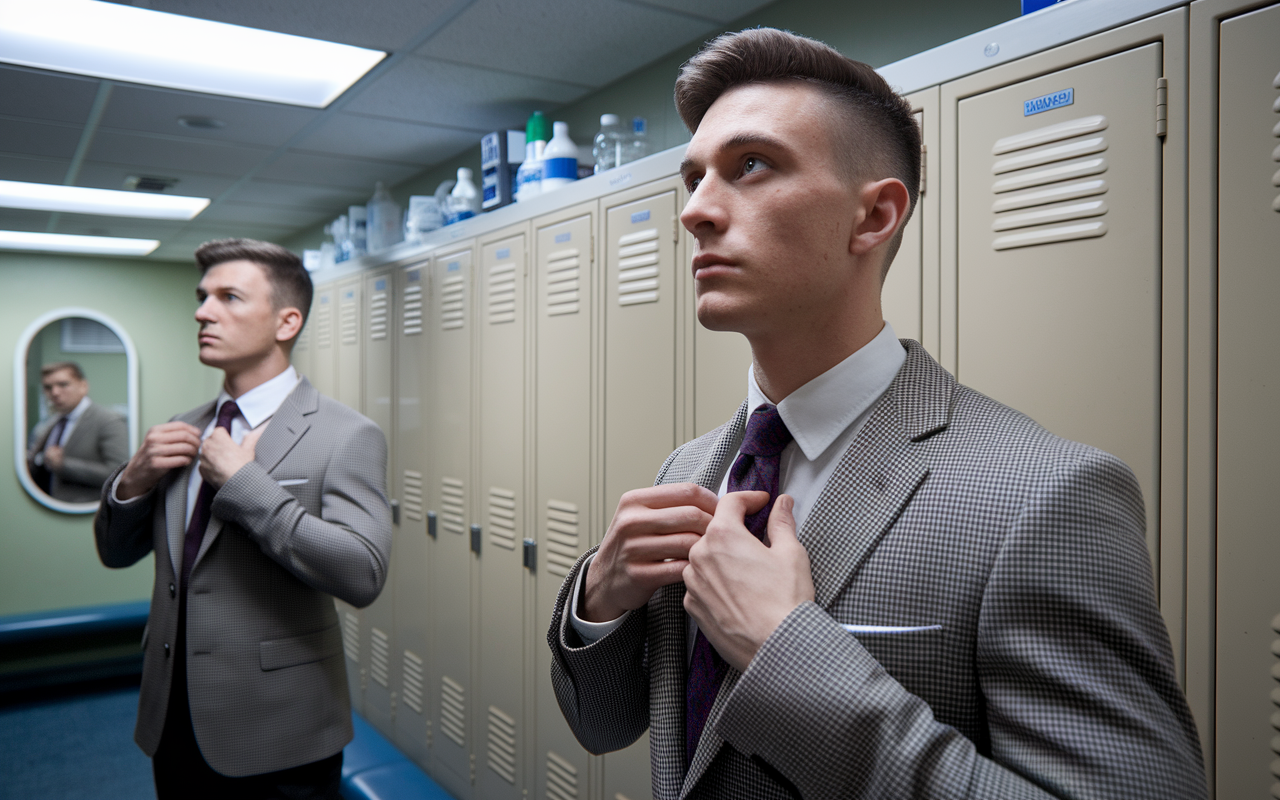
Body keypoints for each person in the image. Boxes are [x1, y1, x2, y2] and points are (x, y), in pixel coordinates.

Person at [547, 28, 1206, 800]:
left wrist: (786, 657)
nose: (696, 211)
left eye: (749, 166)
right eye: (692, 179)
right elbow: (603, 729)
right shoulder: (689, 472)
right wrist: (599, 598)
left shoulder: (1044, 497)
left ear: (873, 218)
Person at [94, 238, 391, 799]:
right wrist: (131, 481)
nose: (204, 312)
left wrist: (245, 485)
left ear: (286, 322)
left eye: (229, 297)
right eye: (203, 298)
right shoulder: (183, 426)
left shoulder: (345, 434)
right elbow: (115, 553)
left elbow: (364, 574)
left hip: (281, 728)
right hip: (174, 714)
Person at [27, 361, 129, 502]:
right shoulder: (52, 422)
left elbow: (118, 474)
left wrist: (64, 465)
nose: (54, 392)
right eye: (48, 387)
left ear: (83, 386)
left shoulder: (108, 420)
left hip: (82, 512)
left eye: (63, 384)